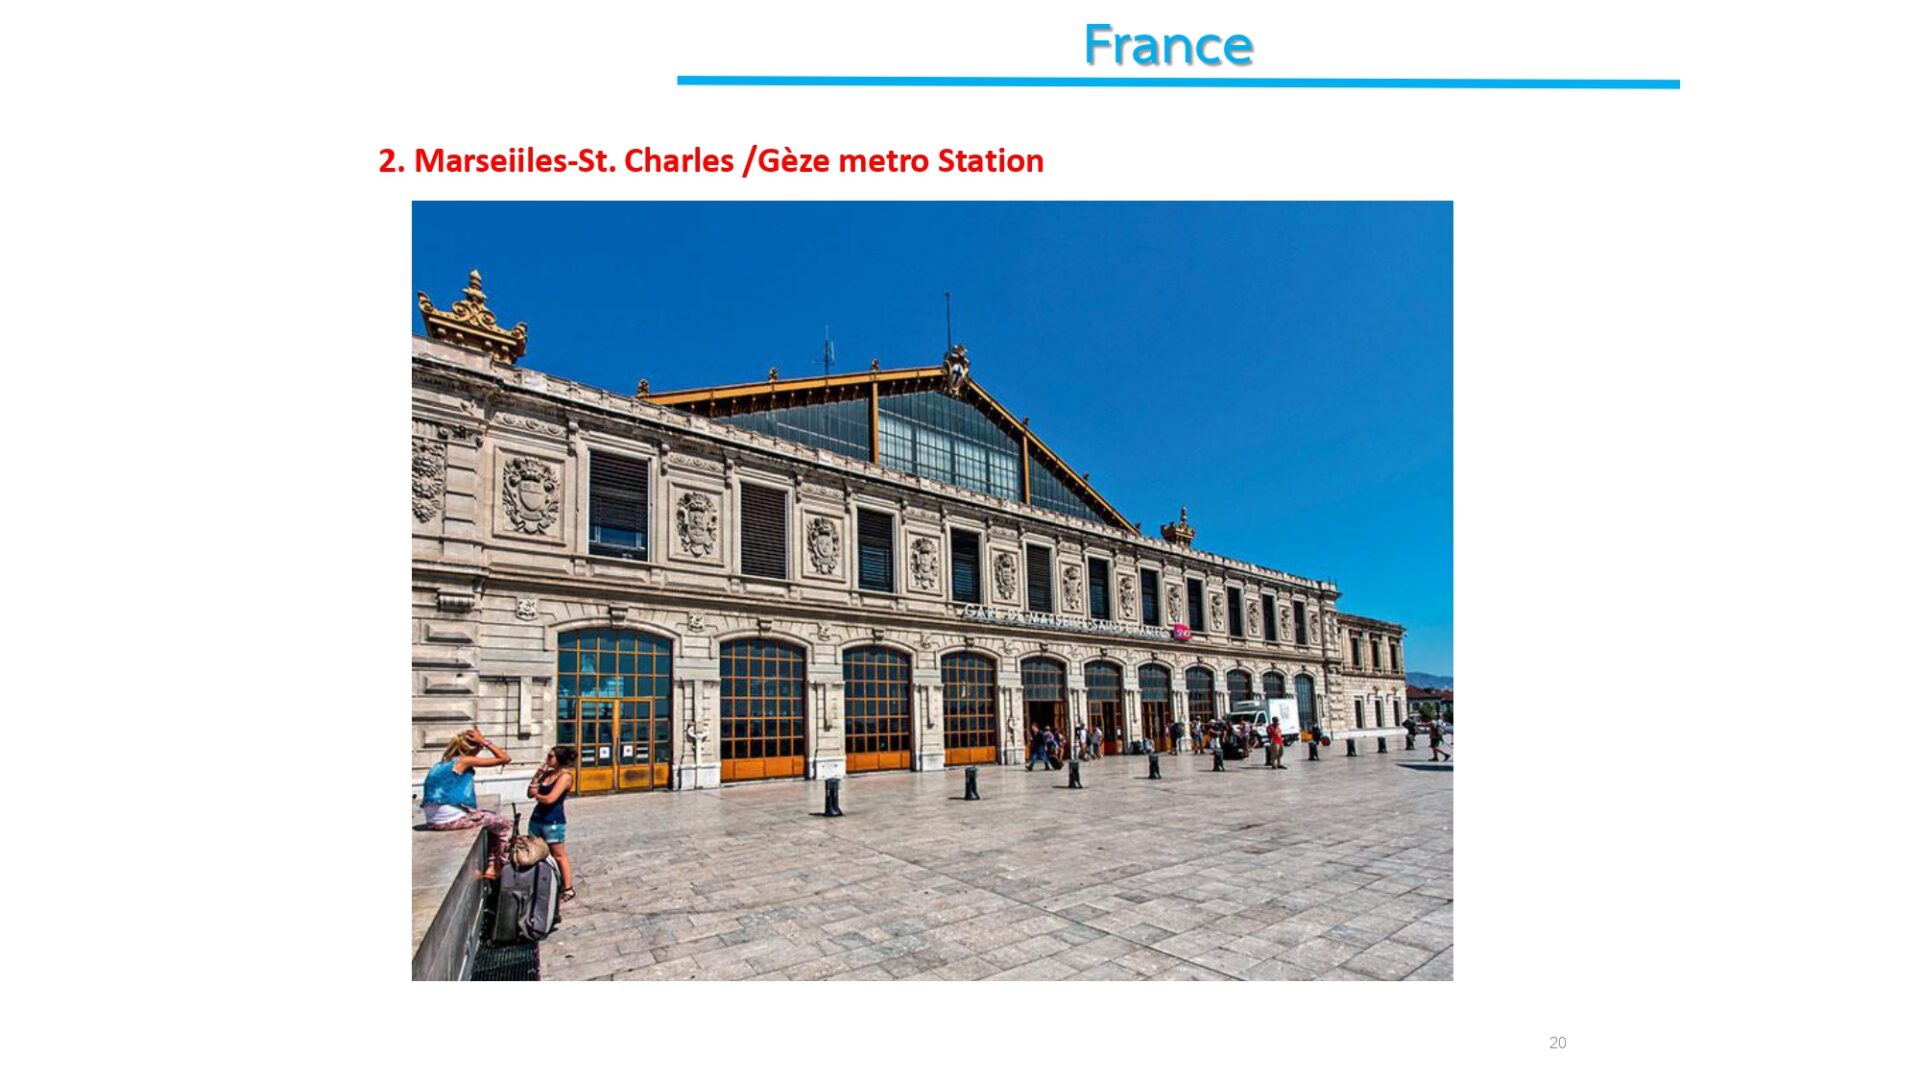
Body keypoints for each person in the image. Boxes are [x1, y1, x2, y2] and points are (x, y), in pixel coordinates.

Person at [419, 725, 514, 879]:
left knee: (490, 819)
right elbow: (505, 758)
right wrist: (484, 741)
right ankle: (497, 866)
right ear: (472, 749)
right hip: (452, 820)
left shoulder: (441, 764)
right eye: (479, 748)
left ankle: (490, 865)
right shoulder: (464, 760)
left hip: (432, 821)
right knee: (506, 824)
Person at [527, 745, 577, 902]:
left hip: (553, 821)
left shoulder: (565, 776)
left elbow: (550, 799)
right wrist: (537, 775)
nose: (547, 759)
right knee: (535, 852)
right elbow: (529, 793)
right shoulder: (546, 774)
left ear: (559, 759)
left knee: (558, 855)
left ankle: (568, 888)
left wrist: (537, 795)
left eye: (551, 756)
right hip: (536, 819)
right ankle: (542, 881)